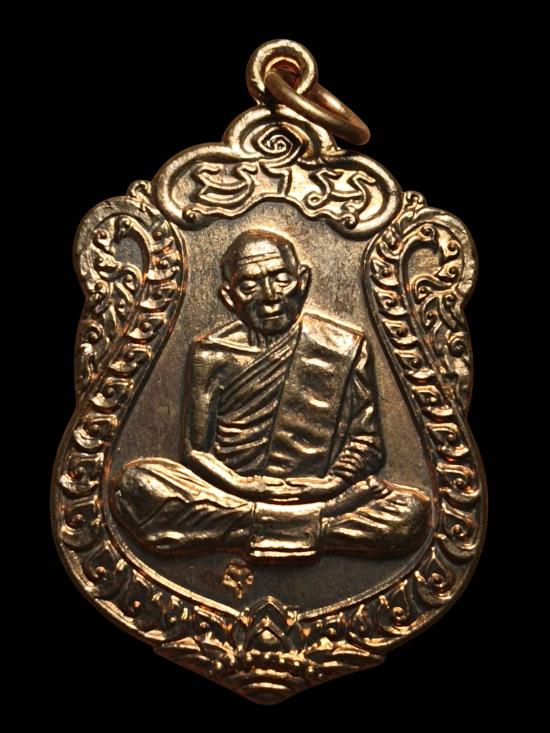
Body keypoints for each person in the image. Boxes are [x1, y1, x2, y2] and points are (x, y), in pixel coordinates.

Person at [110, 229, 430, 560]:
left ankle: (252, 528)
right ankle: (316, 528)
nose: (270, 296)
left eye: (281, 279)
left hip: (317, 495)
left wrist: (331, 484)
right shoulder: (211, 354)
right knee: (137, 484)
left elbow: (367, 444)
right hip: (231, 494)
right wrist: (245, 486)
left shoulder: (342, 345)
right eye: (249, 286)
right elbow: (197, 452)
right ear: (229, 297)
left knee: (411, 513)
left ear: (303, 281)